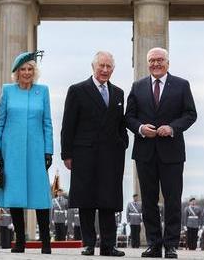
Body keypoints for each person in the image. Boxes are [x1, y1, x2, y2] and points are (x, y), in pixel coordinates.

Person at [124, 47, 197, 259]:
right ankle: (154, 244)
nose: (156, 64)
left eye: (160, 60)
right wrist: (140, 129)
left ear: (168, 63)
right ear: (148, 63)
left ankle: (171, 245)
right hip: (145, 151)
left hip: (172, 152)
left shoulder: (182, 85)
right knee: (148, 200)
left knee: (173, 199)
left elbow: (190, 114)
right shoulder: (137, 87)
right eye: (152, 61)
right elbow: (128, 117)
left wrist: (173, 128)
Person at [61, 51, 128, 257]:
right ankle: (88, 244)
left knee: (109, 201)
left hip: (111, 154)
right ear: (93, 66)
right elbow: (68, 124)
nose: (105, 70)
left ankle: (108, 245)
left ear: (113, 69)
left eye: (109, 67)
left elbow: (120, 124)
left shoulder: (118, 93)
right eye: (102, 66)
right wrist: (67, 154)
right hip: (84, 153)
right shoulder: (77, 90)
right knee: (87, 200)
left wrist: (123, 142)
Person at [0, 50, 54, 254]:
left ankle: (46, 242)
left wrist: (48, 150)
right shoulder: (8, 91)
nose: (26, 73)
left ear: (34, 72)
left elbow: (47, 123)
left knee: (40, 195)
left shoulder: (42, 91)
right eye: (22, 69)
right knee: (15, 194)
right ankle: (20, 241)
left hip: (36, 149)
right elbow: (0, 121)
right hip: (13, 150)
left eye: (30, 69)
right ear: (16, 72)